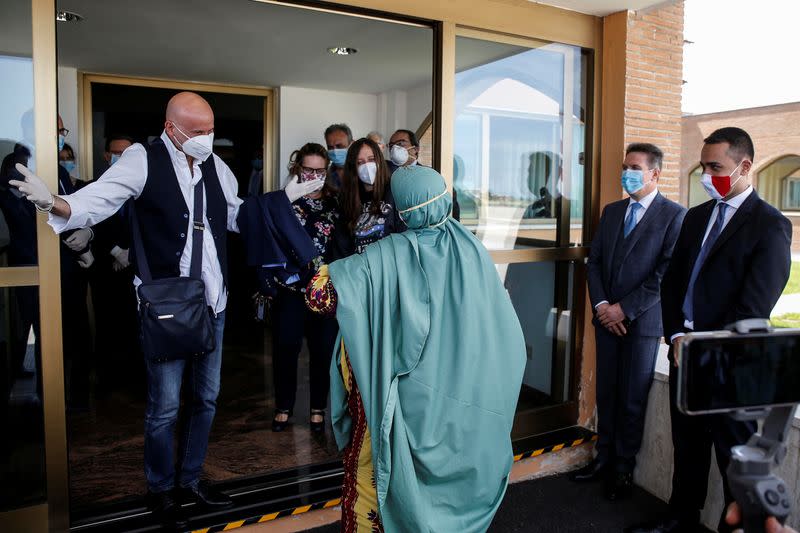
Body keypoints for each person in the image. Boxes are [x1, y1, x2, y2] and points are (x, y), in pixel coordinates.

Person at [9, 92, 321, 530]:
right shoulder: (141, 159)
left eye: (210, 130)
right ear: (171, 128)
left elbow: (237, 216)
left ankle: (190, 479)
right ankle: (160, 488)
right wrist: (54, 204)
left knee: (207, 399)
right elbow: (98, 200)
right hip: (167, 305)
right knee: (165, 406)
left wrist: (281, 200)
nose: (206, 138)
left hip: (212, 300)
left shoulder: (215, 165)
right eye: (197, 131)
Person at [305, 165, 525, 532]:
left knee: (373, 472)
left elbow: (318, 297)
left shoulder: (384, 256)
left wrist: (342, 272)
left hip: (402, 400)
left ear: (403, 209)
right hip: (457, 394)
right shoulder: (470, 248)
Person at [626, 127, 792, 533]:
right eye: (703, 166)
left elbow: (754, 305)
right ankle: (681, 517)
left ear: (745, 166)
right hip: (686, 353)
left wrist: (705, 344)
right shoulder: (697, 216)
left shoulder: (770, 226)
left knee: (734, 457)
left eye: (715, 167)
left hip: (728, 362)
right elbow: (673, 280)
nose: (707, 175)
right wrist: (679, 336)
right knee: (688, 446)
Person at [576, 143, 686, 501]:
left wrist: (625, 309)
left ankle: (622, 469)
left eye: (635, 167)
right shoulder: (612, 211)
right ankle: (602, 458)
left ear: (655, 173)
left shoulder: (674, 215)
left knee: (632, 399)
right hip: (606, 319)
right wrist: (605, 306)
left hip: (642, 323)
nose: (627, 173)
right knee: (607, 393)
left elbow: (665, 271)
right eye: (625, 166)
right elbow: (595, 263)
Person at [269, 143, 339, 433]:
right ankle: (283, 407)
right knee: (286, 348)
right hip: (290, 291)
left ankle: (317, 409)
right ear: (297, 169)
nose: (313, 175)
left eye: (319, 171)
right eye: (308, 170)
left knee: (322, 351)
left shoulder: (336, 204)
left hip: (324, 291)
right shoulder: (283, 203)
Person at [332, 137, 405, 258]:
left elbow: (404, 236)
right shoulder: (347, 200)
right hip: (359, 272)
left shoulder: (395, 191)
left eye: (371, 160)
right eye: (359, 162)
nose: (366, 166)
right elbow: (341, 247)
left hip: (390, 269)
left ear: (380, 160)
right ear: (353, 168)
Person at [324, 123, 353, 190]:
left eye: (339, 146)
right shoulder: (325, 175)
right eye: (330, 147)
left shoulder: (363, 171)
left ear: (352, 144)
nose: (334, 151)